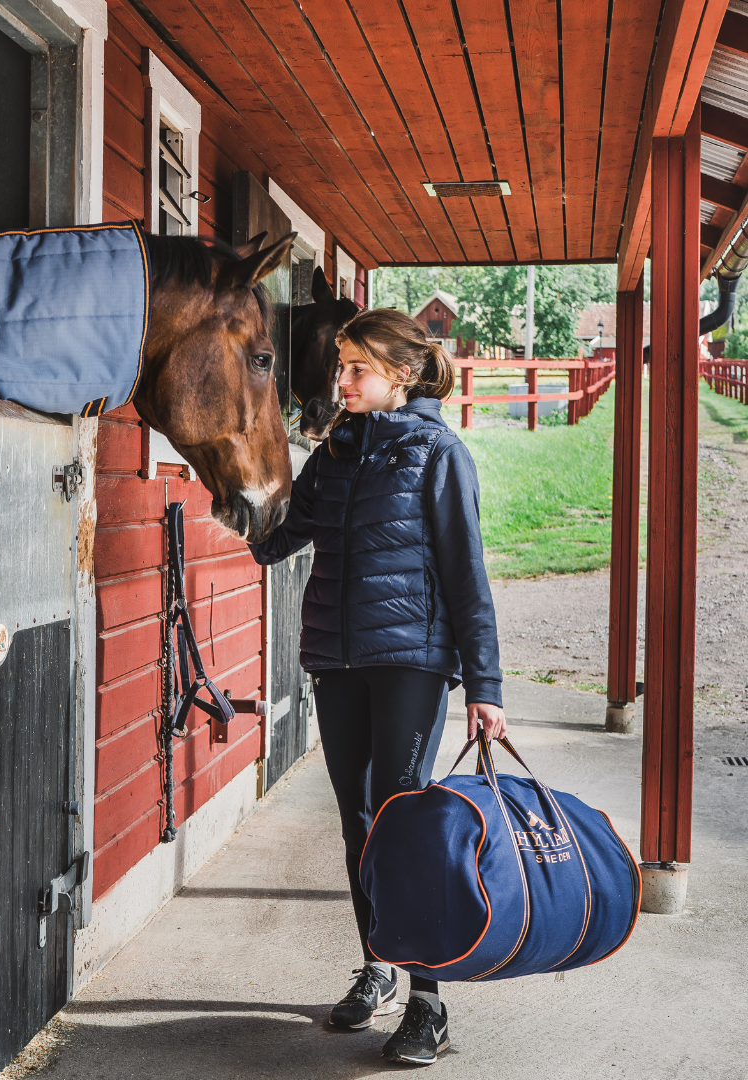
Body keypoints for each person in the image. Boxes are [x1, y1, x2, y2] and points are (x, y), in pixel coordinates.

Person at [249, 308, 506, 1066]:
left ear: (402, 375)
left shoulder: (439, 455)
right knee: (358, 824)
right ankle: (379, 965)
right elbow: (280, 541)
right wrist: (239, 487)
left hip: (410, 663)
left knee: (405, 824)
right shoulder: (335, 452)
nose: (343, 381)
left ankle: (429, 1001)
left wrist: (485, 686)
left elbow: (467, 576)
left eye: (357, 368)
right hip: (337, 661)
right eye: (341, 367)